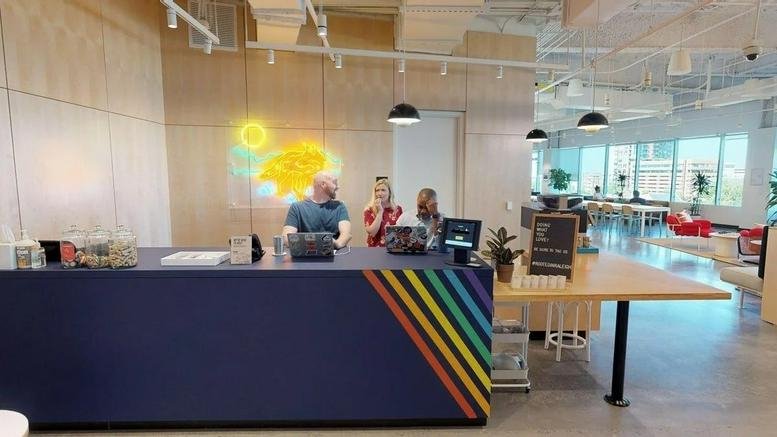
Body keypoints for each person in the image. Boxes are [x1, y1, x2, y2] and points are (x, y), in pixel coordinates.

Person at [282, 171, 352, 249]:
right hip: (305, 257)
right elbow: (286, 238)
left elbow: (346, 234)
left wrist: (336, 244)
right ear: (323, 184)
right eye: (334, 182)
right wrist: (315, 245)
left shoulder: (339, 206)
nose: (338, 186)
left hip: (334, 256)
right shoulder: (296, 207)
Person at [363, 179, 403, 247]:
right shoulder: (369, 209)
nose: (379, 193)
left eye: (383, 190)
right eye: (377, 190)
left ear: (389, 192)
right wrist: (380, 211)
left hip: (393, 248)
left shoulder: (398, 209)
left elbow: (401, 231)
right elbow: (372, 232)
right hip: (374, 249)